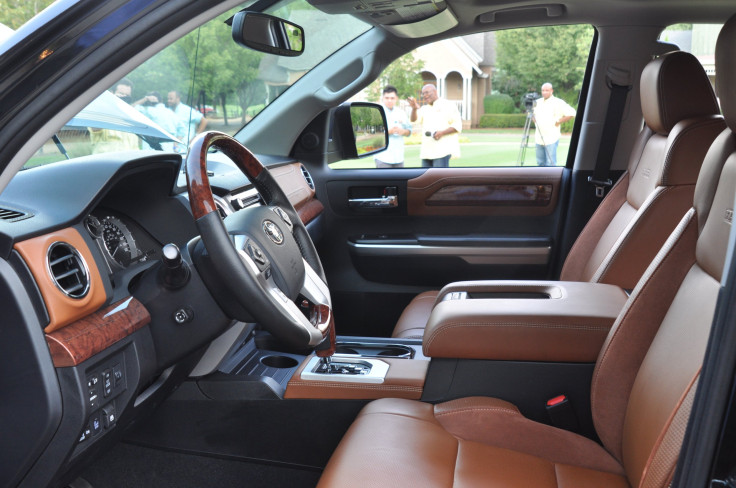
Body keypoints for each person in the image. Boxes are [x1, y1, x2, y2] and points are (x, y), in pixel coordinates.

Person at [407, 84, 462, 168]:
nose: (425, 95)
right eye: (423, 94)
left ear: (435, 91)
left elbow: (457, 125)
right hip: (426, 153)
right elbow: (414, 120)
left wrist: (442, 133)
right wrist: (414, 108)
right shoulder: (424, 109)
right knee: (425, 180)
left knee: (439, 179)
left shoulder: (448, 105)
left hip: (442, 152)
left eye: (427, 92)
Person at [89, 78, 140, 153]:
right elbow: (95, 128)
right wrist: (112, 101)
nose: (123, 97)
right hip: (107, 163)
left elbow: (135, 147)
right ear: (111, 93)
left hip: (129, 162)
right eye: (121, 94)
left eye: (127, 95)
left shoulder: (132, 118)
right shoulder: (101, 112)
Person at [532, 82, 576, 166]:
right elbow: (531, 114)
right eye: (543, 90)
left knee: (550, 163)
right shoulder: (537, 102)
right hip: (538, 138)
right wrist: (534, 120)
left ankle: (551, 179)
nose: (544, 92)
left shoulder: (558, 102)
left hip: (551, 138)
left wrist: (558, 121)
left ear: (551, 91)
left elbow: (572, 113)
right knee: (540, 163)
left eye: (547, 90)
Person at [374, 86, 412, 168]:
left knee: (399, 181)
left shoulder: (401, 113)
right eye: (387, 98)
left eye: (392, 98)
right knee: (384, 181)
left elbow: (409, 131)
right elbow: (372, 133)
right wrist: (388, 132)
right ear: (383, 98)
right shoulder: (376, 112)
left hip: (398, 157)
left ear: (396, 98)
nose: (389, 100)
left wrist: (403, 131)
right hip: (383, 157)